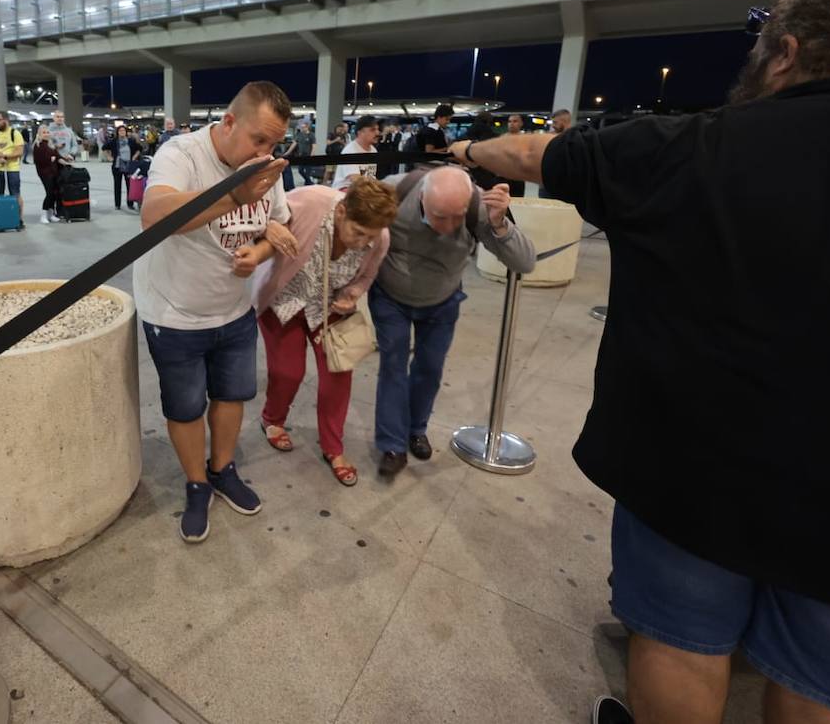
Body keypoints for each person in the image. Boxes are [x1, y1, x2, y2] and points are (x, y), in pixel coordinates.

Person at [449, 0, 830, 724]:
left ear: (788, 52)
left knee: (682, 648)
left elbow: (531, 156)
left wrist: (467, 153)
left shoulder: (691, 146)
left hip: (698, 472)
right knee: (829, 686)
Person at [134, 80, 299, 543]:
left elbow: (279, 224)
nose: (266, 151)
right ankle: (196, 483)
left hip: (234, 310)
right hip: (174, 311)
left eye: (274, 143)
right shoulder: (180, 154)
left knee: (231, 396)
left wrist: (260, 254)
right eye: (259, 139)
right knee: (186, 407)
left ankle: (222, 469)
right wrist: (234, 195)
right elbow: (155, 216)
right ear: (229, 122)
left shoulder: (264, 167)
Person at [372, 166, 534, 477]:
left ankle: (416, 429)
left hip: (442, 301)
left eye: (456, 217)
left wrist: (500, 225)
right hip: (391, 297)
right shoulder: (394, 191)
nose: (448, 227)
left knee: (429, 368)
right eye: (439, 216)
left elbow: (524, 262)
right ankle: (392, 444)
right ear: (421, 198)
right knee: (392, 365)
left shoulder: (477, 207)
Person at [251, 177, 397, 486]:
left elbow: (368, 275)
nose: (361, 243)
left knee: (338, 376)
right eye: (357, 232)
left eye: (369, 237)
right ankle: (272, 419)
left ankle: (334, 448)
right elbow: (258, 213)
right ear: (342, 212)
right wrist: (268, 228)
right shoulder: (310, 201)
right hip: (284, 298)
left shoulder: (379, 238)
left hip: (330, 307)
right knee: (288, 372)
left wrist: (353, 293)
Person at [0, 111, 26, 223]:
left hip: (12, 169)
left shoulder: (15, 133)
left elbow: (19, 151)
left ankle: (19, 219)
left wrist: (5, 156)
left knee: (15, 194)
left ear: (6, 120)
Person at [331, 114, 380, 190]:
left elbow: (370, 177)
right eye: (372, 130)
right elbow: (355, 179)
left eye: (377, 129)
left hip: (361, 190)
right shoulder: (350, 151)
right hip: (344, 191)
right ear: (360, 132)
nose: (377, 133)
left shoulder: (373, 150)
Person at [105, 124, 143, 210]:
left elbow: (139, 148)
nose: (122, 132)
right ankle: (117, 204)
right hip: (117, 166)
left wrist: (134, 157)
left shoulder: (130, 141)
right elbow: (104, 148)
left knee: (129, 185)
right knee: (117, 185)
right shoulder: (114, 141)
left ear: (126, 132)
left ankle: (130, 203)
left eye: (123, 131)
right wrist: (109, 157)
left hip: (128, 166)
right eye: (120, 131)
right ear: (117, 132)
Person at [33, 127, 62, 224]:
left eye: (47, 132)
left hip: (54, 172)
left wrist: (66, 160)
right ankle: (44, 214)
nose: (46, 134)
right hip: (44, 173)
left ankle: (51, 214)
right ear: (39, 134)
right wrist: (51, 159)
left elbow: (57, 156)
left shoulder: (51, 145)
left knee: (54, 193)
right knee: (49, 193)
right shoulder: (38, 145)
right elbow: (39, 161)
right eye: (44, 132)